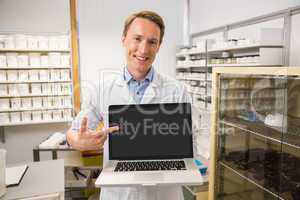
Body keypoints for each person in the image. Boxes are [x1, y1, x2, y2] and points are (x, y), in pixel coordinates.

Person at [67, 10, 191, 200]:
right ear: (124, 39)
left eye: (152, 42)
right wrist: (79, 141)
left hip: (164, 192)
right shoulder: (101, 89)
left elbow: (192, 144)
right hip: (119, 192)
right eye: (137, 38)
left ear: (159, 46)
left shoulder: (177, 90)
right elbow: (73, 133)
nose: (143, 49)